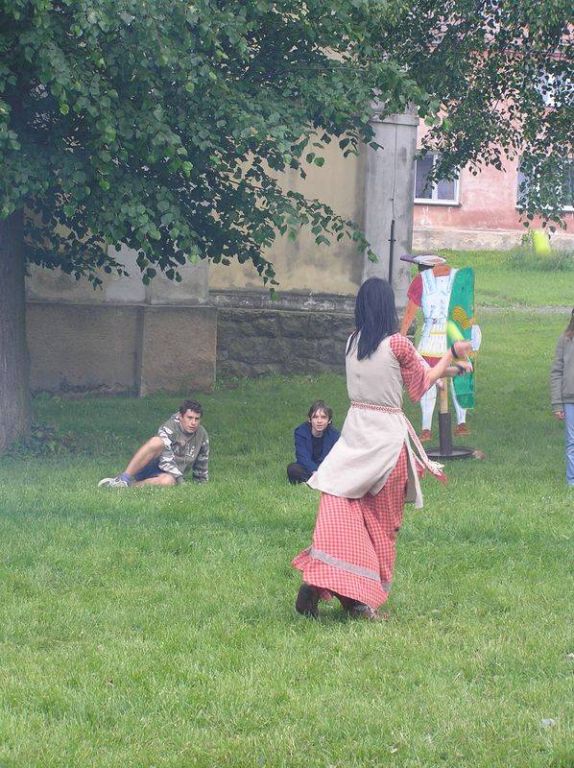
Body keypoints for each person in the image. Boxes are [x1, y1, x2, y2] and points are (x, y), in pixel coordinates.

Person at [292, 277, 472, 620]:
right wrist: (452, 353)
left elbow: (413, 374)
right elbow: (420, 383)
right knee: (383, 525)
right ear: (388, 306)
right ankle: (362, 600)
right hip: (387, 444)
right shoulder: (398, 344)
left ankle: (328, 588)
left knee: (351, 518)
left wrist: (453, 369)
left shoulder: (352, 342)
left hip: (355, 437)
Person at [400, 254, 470, 441]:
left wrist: (402, 336)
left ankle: (427, 428)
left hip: (431, 336)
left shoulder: (420, 281)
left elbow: (409, 313)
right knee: (458, 377)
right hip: (454, 334)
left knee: (429, 378)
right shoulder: (460, 277)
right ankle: (460, 423)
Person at [98, 399, 209, 488]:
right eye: (189, 418)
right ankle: (124, 478)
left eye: (197, 419)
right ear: (181, 416)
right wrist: (180, 480)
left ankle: (127, 487)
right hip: (151, 465)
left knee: (168, 482)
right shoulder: (170, 427)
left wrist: (201, 482)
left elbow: (202, 459)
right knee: (157, 441)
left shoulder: (202, 434)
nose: (193, 422)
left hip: (167, 474)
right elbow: (166, 459)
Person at [287, 400, 340, 484]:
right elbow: (302, 457)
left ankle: (312, 482)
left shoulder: (334, 435)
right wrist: (315, 471)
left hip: (326, 470)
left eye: (323, 417)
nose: (319, 421)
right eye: (315, 417)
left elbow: (335, 459)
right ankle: (316, 482)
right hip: (308, 468)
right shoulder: (301, 432)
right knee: (293, 469)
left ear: (329, 420)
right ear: (310, 419)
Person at [550, 308, 574, 487]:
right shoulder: (565, 340)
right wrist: (557, 404)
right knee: (571, 442)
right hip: (569, 399)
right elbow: (556, 372)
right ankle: (571, 481)